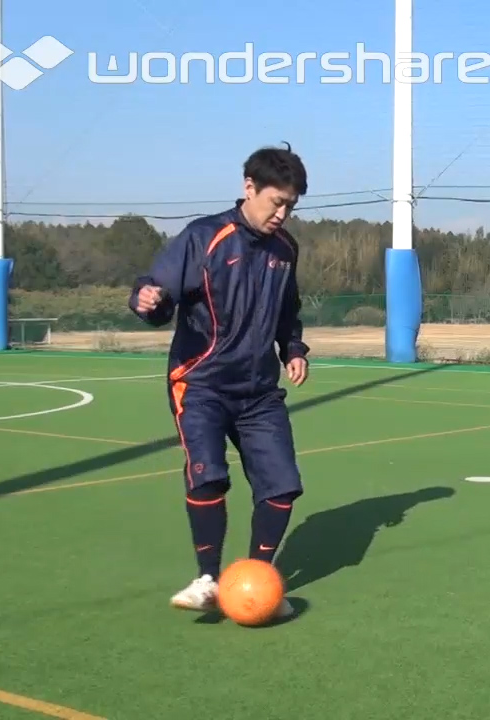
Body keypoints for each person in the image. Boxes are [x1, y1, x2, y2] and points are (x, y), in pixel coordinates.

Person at [129, 143, 311, 620]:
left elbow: (287, 311)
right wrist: (147, 301)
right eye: (277, 202)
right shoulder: (204, 237)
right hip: (201, 382)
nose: (282, 214)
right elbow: (157, 290)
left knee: (281, 486)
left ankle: (256, 580)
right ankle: (208, 580)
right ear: (249, 187)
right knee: (208, 475)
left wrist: (293, 349)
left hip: (259, 392)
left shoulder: (286, 250)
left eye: (291, 206)